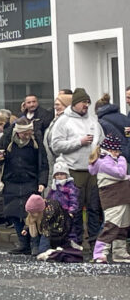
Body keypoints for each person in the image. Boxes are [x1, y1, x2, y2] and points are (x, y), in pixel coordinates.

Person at [49, 87, 103, 254]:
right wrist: (79, 142)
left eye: (88, 102)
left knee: (94, 207)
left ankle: (94, 243)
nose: (86, 105)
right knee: (76, 209)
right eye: (83, 102)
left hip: (92, 170)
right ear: (75, 103)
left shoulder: (93, 121)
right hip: (74, 170)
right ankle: (76, 241)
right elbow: (56, 146)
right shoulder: (63, 121)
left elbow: (101, 140)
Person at [0, 118, 47, 255]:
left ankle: (35, 243)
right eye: (24, 133)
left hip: (30, 180)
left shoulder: (36, 141)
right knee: (13, 213)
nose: (27, 135)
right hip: (11, 180)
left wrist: (42, 182)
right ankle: (23, 243)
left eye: (29, 132)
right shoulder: (7, 139)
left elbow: (43, 163)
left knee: (32, 213)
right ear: (17, 132)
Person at [88, 134, 130, 264]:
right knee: (112, 225)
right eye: (117, 151)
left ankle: (119, 252)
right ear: (110, 150)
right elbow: (121, 174)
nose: (119, 154)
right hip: (113, 198)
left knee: (122, 226)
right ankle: (100, 253)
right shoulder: (104, 162)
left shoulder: (109, 160)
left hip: (121, 197)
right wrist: (122, 160)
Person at [45, 158, 82, 248]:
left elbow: (74, 200)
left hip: (66, 213)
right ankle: (57, 245)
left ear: (66, 175)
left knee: (70, 230)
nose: (59, 176)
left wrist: (71, 211)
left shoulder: (70, 187)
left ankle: (72, 245)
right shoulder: (54, 187)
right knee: (56, 230)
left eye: (62, 174)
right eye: (57, 174)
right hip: (55, 214)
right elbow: (49, 198)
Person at [94, 94, 130, 161]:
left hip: (116, 154)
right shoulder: (124, 117)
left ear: (97, 110)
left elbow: (101, 140)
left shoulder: (101, 121)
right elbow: (128, 134)